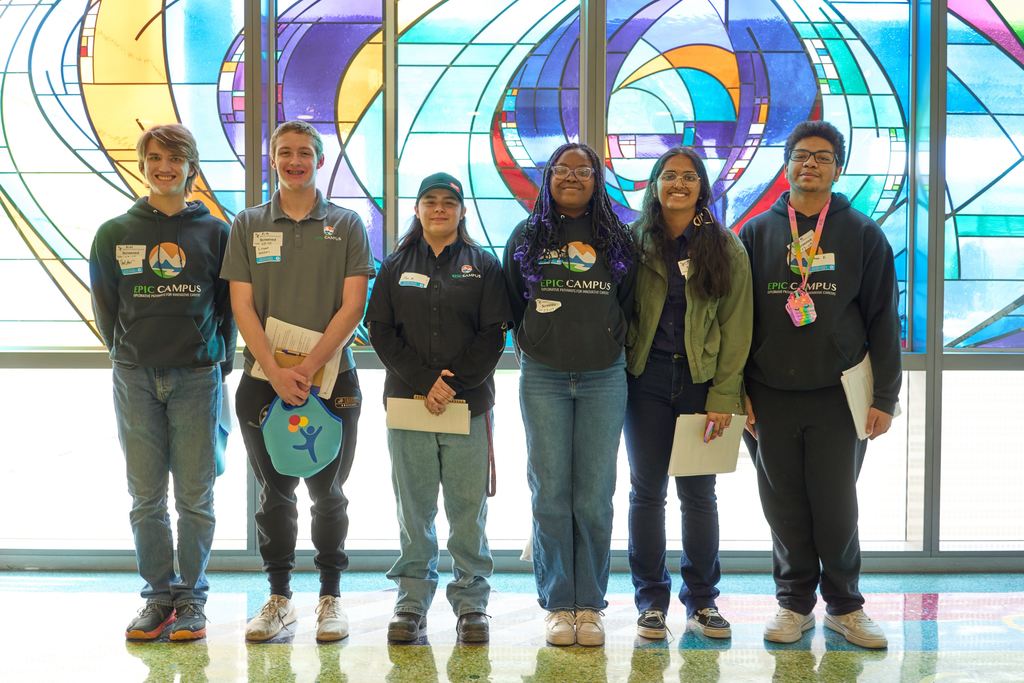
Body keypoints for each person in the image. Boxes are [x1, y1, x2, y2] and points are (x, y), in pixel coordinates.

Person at [739, 120, 901, 649]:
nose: (810, 164)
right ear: (786, 164)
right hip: (769, 395)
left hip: (839, 397)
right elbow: (738, 320)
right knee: (783, 504)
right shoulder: (757, 233)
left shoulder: (864, 235)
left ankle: (845, 607)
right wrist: (736, 390)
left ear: (837, 169)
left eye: (822, 157)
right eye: (801, 155)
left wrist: (885, 399)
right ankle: (793, 606)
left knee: (835, 505)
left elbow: (882, 321)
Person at [220, 120, 375, 643]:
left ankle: (330, 597)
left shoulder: (347, 224)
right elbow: (241, 304)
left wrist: (306, 370)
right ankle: (279, 598)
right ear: (272, 160)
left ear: (319, 160)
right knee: (275, 494)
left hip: (333, 382)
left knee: (328, 493)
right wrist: (277, 370)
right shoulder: (247, 224)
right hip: (264, 382)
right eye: (284, 152)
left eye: (304, 153)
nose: (294, 161)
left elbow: (354, 304)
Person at [89, 123, 236, 641]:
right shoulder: (114, 232)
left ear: (191, 167)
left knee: (195, 496)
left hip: (198, 376)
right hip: (134, 376)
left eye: (174, 159)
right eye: (154, 158)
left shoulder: (217, 233)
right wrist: (129, 350)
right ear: (143, 164)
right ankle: (157, 596)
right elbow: (106, 308)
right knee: (146, 495)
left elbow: (228, 308)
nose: (163, 167)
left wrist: (218, 359)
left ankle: (192, 598)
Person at [366, 172, 510, 644]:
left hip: (468, 406)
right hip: (409, 403)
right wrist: (426, 382)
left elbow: (493, 334)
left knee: (468, 510)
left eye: (449, 202)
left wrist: (451, 386)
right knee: (415, 507)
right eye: (431, 201)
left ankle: (472, 603)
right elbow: (381, 331)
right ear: (418, 209)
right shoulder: (394, 265)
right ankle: (411, 601)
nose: (440, 208)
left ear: (462, 211)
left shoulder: (484, 266)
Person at [503, 142, 636, 647]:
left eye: (584, 170)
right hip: (544, 377)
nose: (573, 177)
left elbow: (629, 302)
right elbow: (515, 299)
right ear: (549, 177)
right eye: (563, 169)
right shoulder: (527, 235)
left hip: (605, 375)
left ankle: (591, 605)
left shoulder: (618, 238)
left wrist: (606, 339)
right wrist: (535, 341)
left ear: (598, 179)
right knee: (551, 491)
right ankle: (560, 604)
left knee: (595, 496)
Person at [623, 147, 752, 640]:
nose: (679, 183)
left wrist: (725, 395)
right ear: (655, 184)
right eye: (669, 175)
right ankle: (651, 602)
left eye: (690, 176)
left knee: (698, 494)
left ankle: (702, 601)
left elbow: (737, 328)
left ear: (702, 187)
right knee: (647, 492)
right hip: (646, 382)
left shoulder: (726, 247)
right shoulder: (633, 242)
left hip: (702, 386)